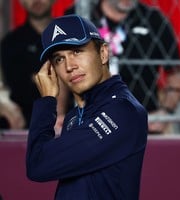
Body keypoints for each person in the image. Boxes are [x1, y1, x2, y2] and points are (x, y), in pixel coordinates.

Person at [26, 14, 148, 199]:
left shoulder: (123, 110)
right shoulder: (73, 117)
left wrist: (47, 101)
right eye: (59, 59)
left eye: (77, 51)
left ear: (103, 53)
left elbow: (38, 164)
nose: (69, 66)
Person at [65, 0, 180, 134]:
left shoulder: (154, 19)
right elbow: (60, 71)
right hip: (87, 124)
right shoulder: (77, 17)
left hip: (141, 126)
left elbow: (176, 73)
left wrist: (166, 112)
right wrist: (59, 114)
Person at [0, 0, 70, 130]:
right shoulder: (11, 43)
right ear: (20, 2)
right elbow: (20, 88)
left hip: (75, 125)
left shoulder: (71, 36)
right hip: (27, 129)